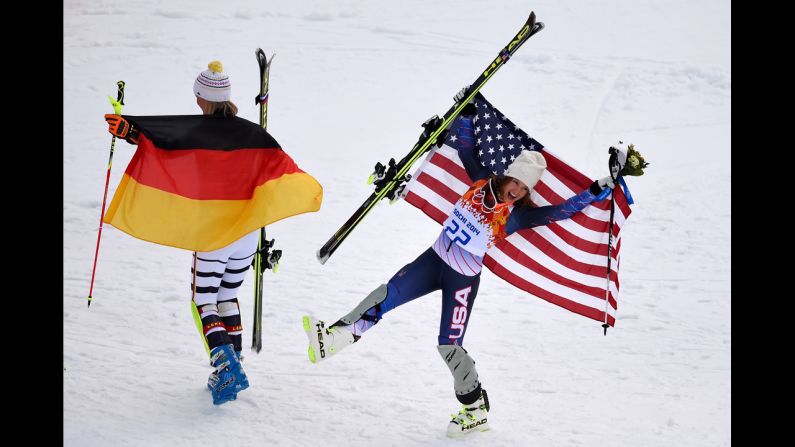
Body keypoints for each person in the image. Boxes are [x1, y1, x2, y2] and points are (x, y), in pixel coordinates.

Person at [302, 88, 622, 437]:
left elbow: (559, 213)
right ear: (507, 176)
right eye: (516, 182)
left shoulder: (516, 216)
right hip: (433, 259)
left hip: (462, 279)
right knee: (387, 293)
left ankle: (475, 408)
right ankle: (335, 338)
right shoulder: (481, 181)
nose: (517, 191)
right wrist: (467, 113)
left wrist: (597, 190)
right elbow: (467, 148)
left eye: (524, 190)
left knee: (448, 345)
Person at [103, 61, 322, 405]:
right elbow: (281, 169)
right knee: (226, 297)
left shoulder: (194, 132)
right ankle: (232, 363)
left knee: (204, 299)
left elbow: (162, 139)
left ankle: (226, 366)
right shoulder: (255, 134)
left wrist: (129, 130)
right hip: (248, 235)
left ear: (201, 99)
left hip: (213, 234)